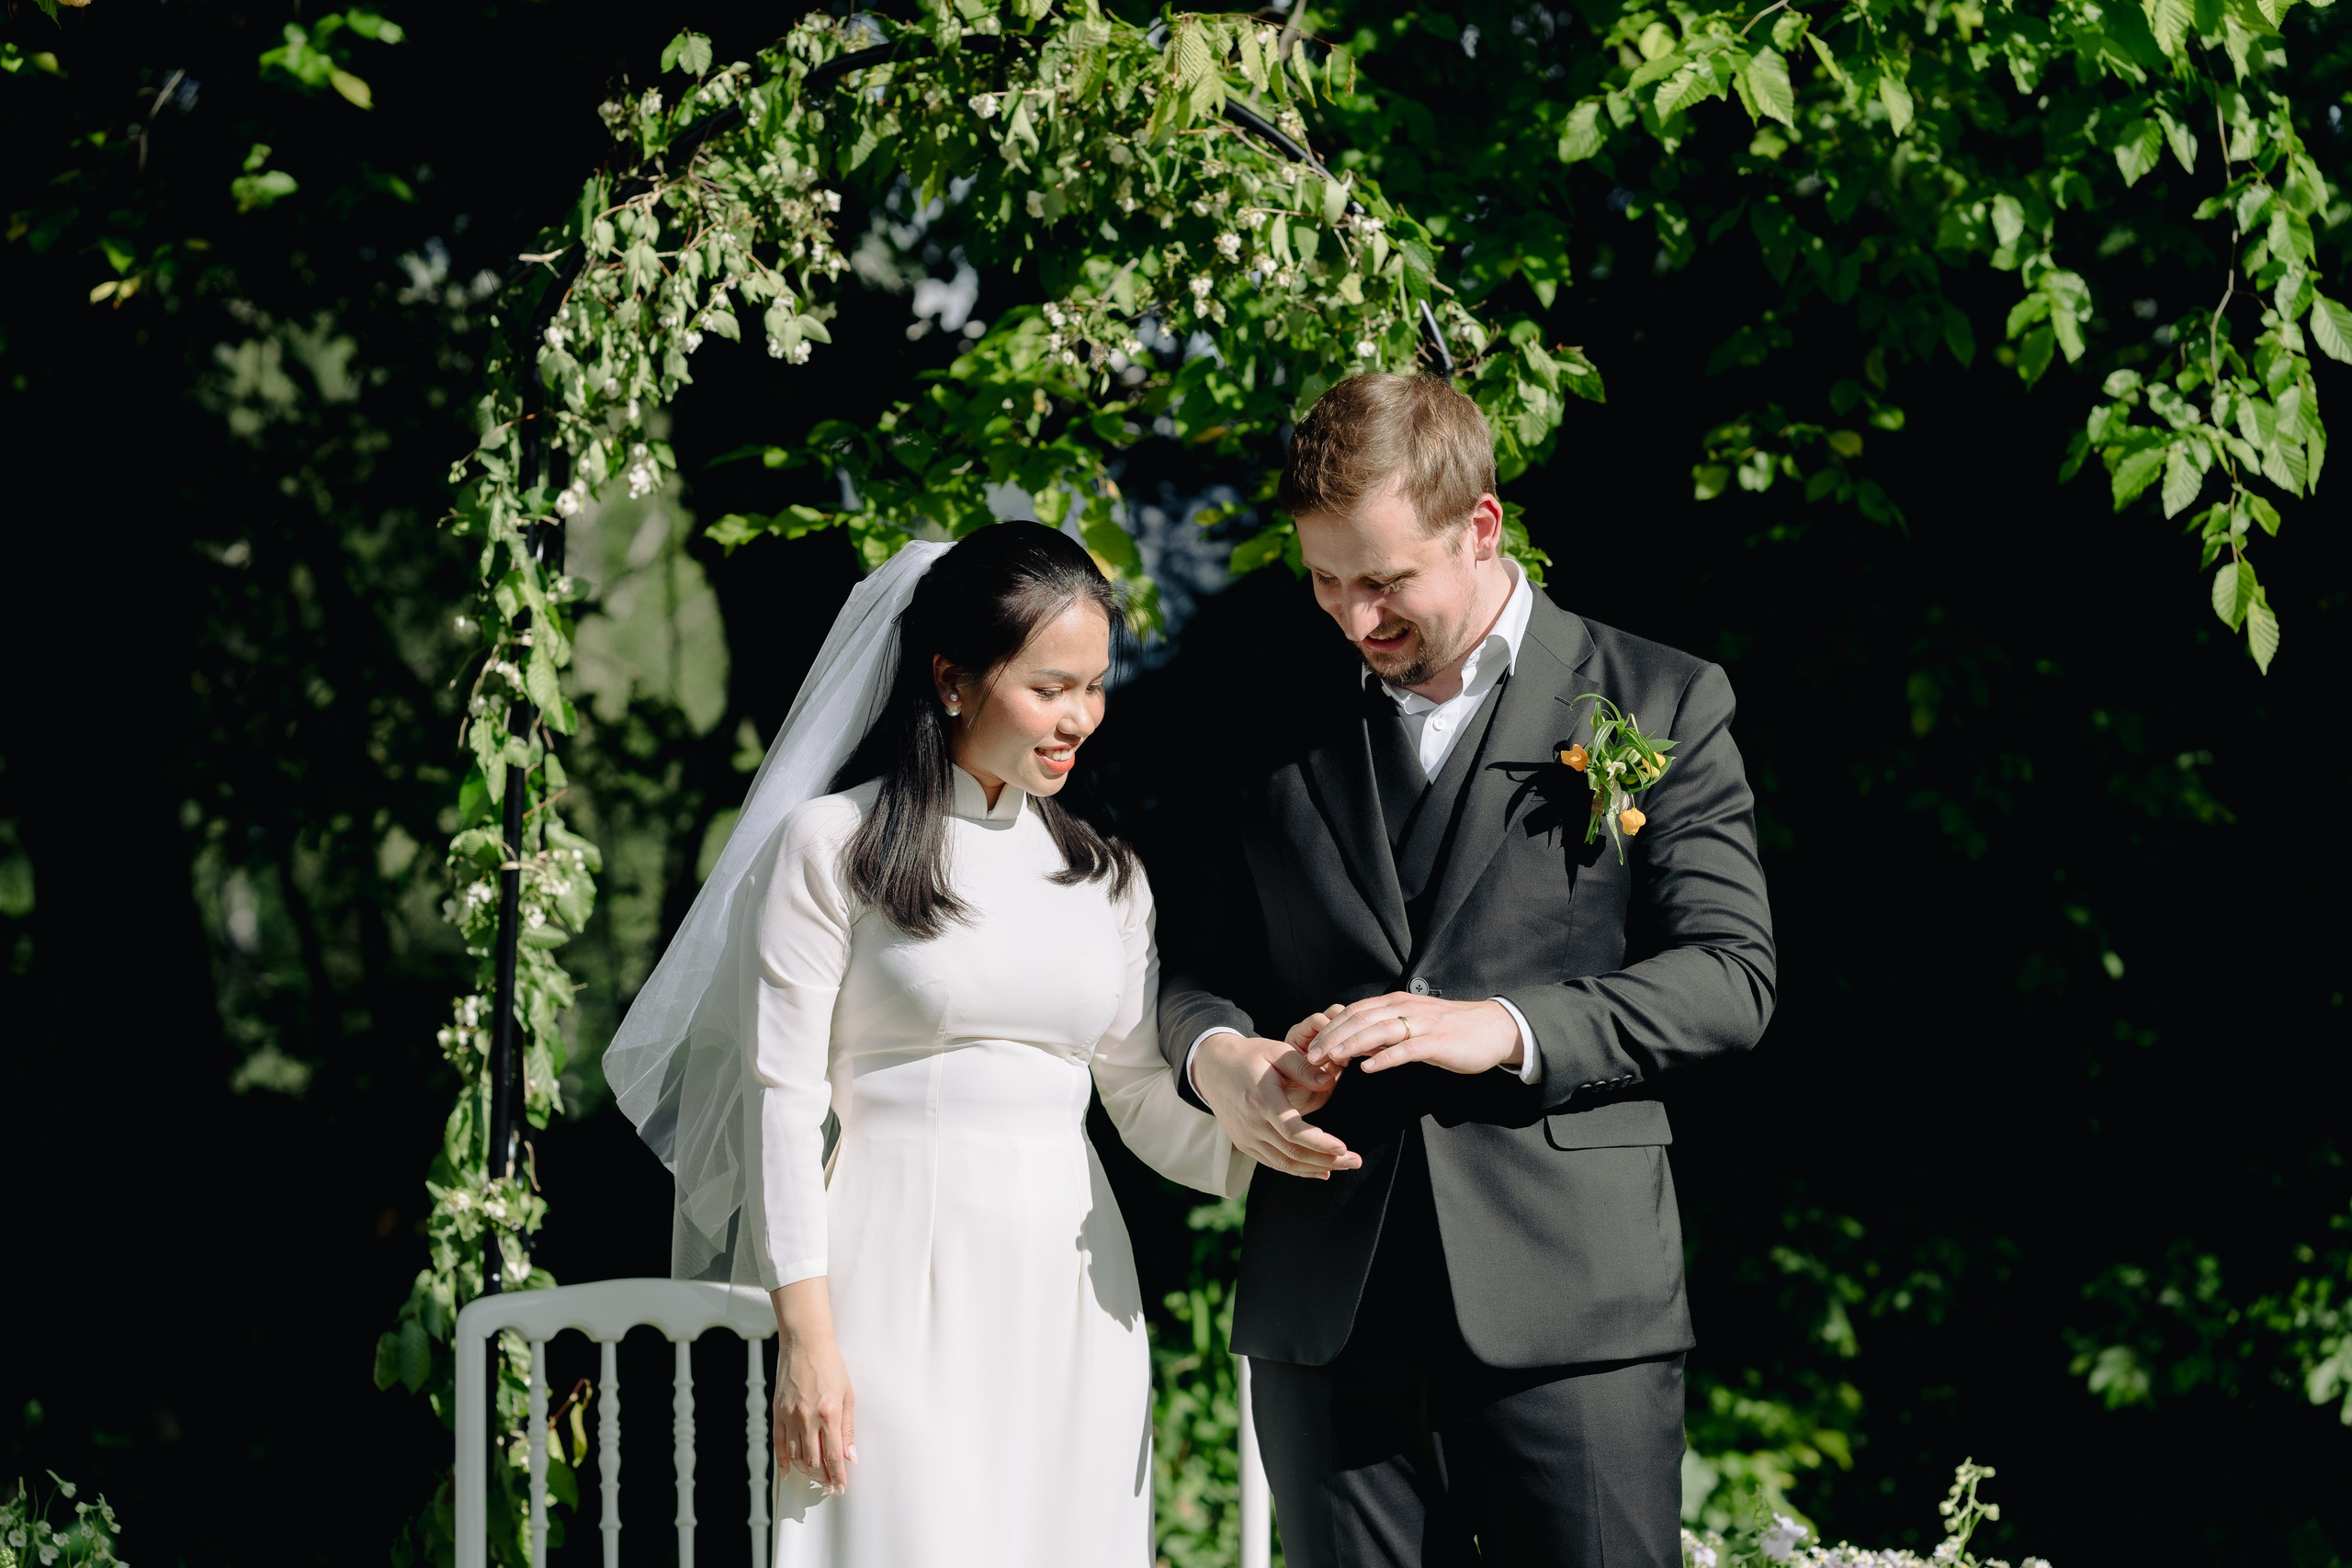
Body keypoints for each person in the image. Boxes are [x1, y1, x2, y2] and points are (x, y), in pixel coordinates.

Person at [1159, 373, 1777, 1567]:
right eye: (1325, 579)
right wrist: (1219, 1057)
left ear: (1480, 526)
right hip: (1327, 1307)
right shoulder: (1255, 712)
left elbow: (1731, 972)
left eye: (1384, 579)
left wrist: (1502, 1024)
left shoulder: (1655, 698)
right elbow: (1187, 962)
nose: (1352, 616)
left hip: (1575, 1306)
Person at [601, 523, 1250, 1566]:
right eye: (1049, 688)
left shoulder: (1110, 879)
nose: (1079, 717)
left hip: (1076, 1293)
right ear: (952, 679)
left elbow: (1137, 1095)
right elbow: (778, 1099)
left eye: (1093, 686)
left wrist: (1273, 1135)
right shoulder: (834, 848)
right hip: (885, 1285)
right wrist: (808, 1338)